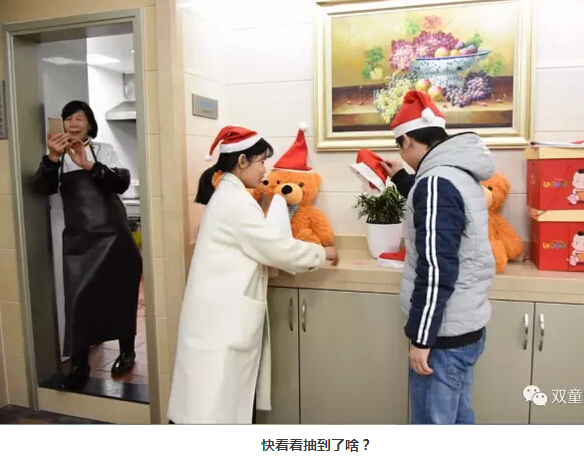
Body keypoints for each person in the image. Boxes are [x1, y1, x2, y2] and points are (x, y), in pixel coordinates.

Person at [167, 125, 339, 425]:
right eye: (261, 161)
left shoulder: (232, 195)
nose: (264, 169)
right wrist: (321, 254)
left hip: (218, 315)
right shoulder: (234, 202)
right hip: (220, 320)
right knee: (211, 405)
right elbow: (276, 248)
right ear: (242, 161)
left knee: (212, 401)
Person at [381, 90, 495, 424]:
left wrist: (421, 338)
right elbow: (437, 214)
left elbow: (435, 268)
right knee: (457, 419)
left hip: (442, 338)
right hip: (463, 326)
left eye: (400, 147)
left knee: (432, 425)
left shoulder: (435, 183)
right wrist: (401, 178)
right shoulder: (456, 173)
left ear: (407, 141)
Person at [33, 101, 142, 390]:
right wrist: (52, 159)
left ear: (90, 124)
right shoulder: (55, 156)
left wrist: (88, 165)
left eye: (79, 118)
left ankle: (127, 353)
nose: (73, 123)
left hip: (114, 237)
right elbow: (43, 188)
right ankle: (79, 364)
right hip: (80, 242)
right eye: (68, 118)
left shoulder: (103, 150)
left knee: (121, 294)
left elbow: (121, 181)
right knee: (78, 302)